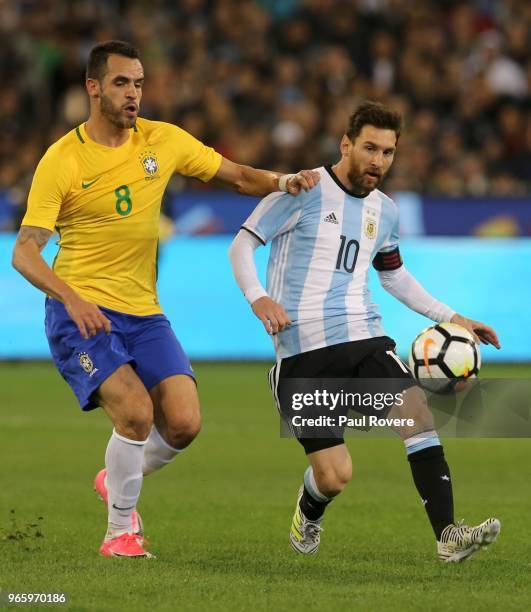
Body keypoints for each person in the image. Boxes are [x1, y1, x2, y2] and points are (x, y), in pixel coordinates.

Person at [11, 40, 320, 559]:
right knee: (134, 412)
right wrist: (73, 299)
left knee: (183, 422)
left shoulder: (163, 140)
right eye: (120, 83)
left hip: (144, 311)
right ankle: (119, 535)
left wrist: (284, 181)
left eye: (138, 83)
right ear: (93, 88)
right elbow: (24, 253)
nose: (133, 94)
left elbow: (240, 177)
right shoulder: (62, 160)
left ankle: (116, 477)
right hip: (80, 315)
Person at [229, 101, 502, 562]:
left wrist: (454, 318)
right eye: (370, 148)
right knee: (335, 475)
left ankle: (448, 535)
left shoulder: (386, 211)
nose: (378, 161)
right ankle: (309, 510)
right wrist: (259, 296)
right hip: (302, 353)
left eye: (388, 152)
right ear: (346, 145)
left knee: (417, 418)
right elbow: (242, 245)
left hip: (364, 336)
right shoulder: (302, 189)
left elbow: (393, 275)